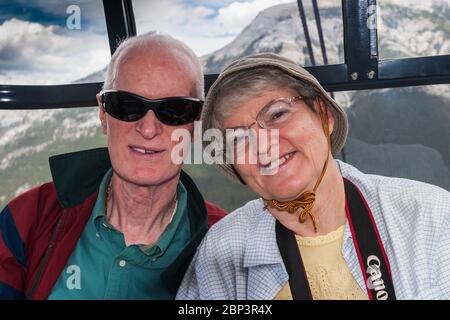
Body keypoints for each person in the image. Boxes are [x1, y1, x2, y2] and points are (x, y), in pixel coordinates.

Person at [177, 53, 450, 300]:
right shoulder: (221, 252)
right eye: (238, 138)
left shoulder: (430, 217)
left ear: (324, 115)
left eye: (278, 114)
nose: (263, 145)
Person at [0, 32, 226, 300]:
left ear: (197, 124)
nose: (148, 128)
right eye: (128, 105)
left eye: (175, 110)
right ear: (103, 114)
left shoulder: (224, 245)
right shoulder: (30, 217)